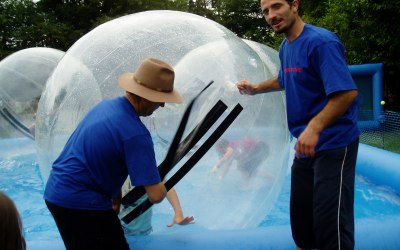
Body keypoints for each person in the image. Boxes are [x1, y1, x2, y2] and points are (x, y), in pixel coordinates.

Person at [236, 0, 360, 249]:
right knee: (301, 222)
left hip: (334, 143)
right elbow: (285, 78)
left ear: (294, 5)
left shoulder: (321, 42)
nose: (271, 15)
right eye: (266, 11)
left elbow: (347, 93)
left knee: (330, 224)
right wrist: (256, 88)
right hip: (305, 146)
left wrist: (314, 128)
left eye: (276, 6)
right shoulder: (286, 46)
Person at [44, 58, 185, 250]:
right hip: (82, 203)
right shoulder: (136, 134)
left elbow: (103, 158)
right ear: (145, 97)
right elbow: (155, 195)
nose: (161, 106)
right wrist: (163, 179)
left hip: (57, 193)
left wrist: (116, 196)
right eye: (161, 101)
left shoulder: (105, 107)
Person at [115, 179, 194, 236]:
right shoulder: (112, 170)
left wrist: (178, 213)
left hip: (143, 231)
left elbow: (166, 186)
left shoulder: (144, 168)